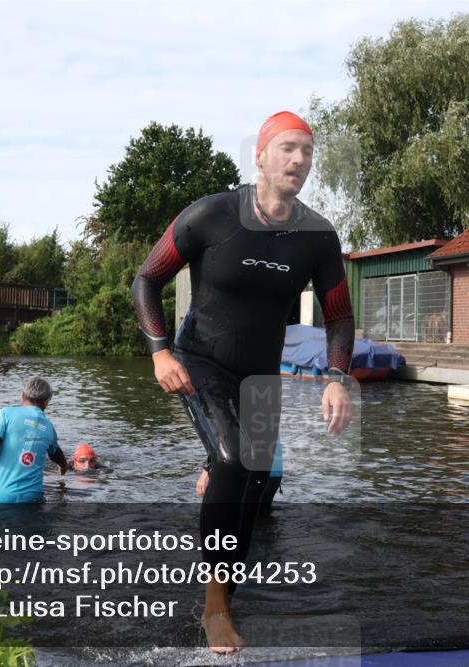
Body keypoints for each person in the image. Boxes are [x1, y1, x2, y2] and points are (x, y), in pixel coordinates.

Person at [131, 110, 355, 654]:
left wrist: (336, 377)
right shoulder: (211, 215)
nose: (298, 159)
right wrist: (160, 353)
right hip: (201, 361)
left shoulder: (317, 236)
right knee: (234, 462)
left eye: (306, 150)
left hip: (260, 375)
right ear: (260, 155)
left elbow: (339, 317)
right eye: (287, 148)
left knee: (254, 486)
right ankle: (215, 608)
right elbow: (146, 279)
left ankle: (226, 586)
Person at [0, 377, 68, 503]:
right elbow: (56, 454)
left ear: (23, 396)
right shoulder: (49, 427)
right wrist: (63, 465)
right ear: (46, 402)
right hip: (32, 499)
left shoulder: (5, 414)